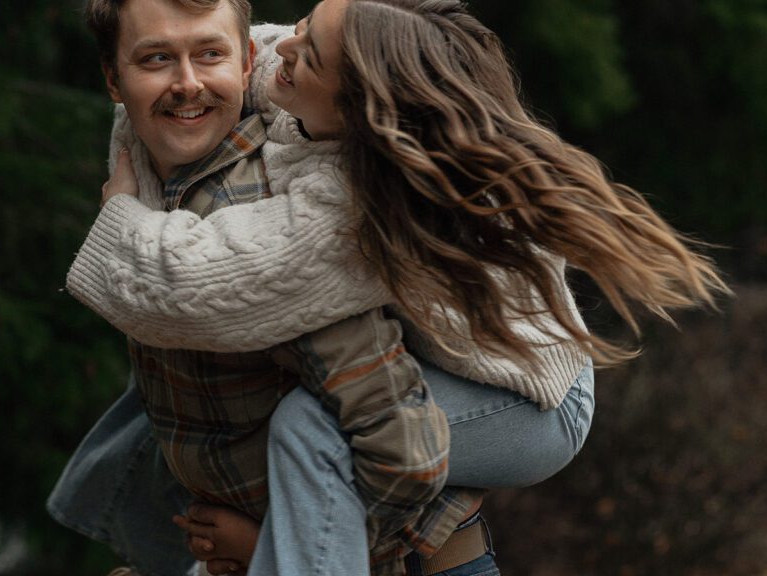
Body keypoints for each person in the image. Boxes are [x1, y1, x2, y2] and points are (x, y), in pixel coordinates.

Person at [54, 0, 729, 575]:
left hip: (528, 398)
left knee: (311, 424)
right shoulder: (288, 88)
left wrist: (123, 213)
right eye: (303, 26)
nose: (283, 45)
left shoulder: (349, 215)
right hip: (433, 423)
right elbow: (240, 50)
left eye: (309, 53)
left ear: (354, 105)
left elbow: (175, 287)